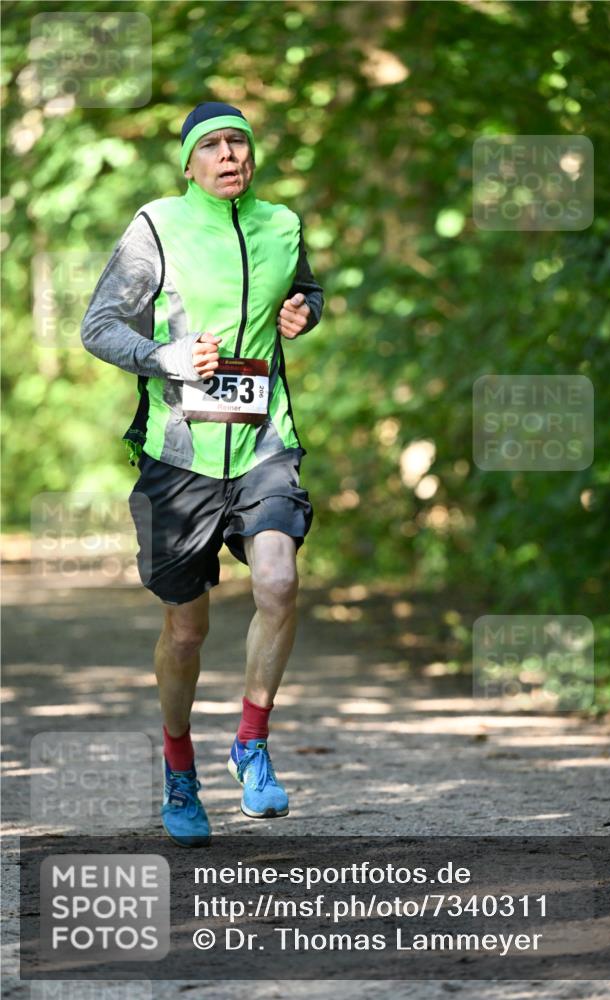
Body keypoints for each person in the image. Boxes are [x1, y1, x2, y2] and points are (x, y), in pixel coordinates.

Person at [80, 102, 324, 847]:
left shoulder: (281, 224)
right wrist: (167, 357)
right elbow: (100, 326)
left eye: (240, 143)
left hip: (263, 443)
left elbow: (304, 290)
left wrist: (304, 312)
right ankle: (179, 767)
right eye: (212, 146)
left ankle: (250, 744)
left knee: (279, 581)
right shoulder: (157, 226)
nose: (229, 156)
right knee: (186, 631)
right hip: (176, 455)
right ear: (188, 163)